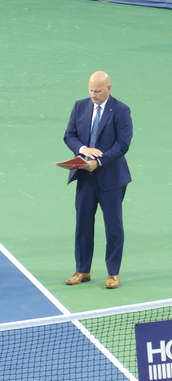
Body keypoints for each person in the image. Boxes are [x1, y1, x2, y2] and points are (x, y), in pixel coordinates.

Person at [63, 71, 132, 289]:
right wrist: (83, 150)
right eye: (91, 90)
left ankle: (113, 273)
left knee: (113, 227)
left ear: (109, 88)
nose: (93, 94)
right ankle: (82, 270)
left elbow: (122, 144)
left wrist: (98, 162)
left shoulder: (121, 110)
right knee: (83, 225)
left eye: (98, 91)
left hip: (111, 178)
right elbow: (69, 135)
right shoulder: (79, 106)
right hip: (84, 176)